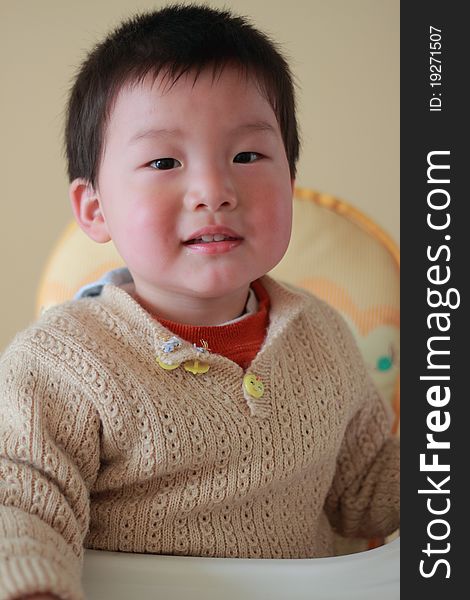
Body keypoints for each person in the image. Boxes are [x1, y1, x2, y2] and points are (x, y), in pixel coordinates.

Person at [0, 5, 399, 599]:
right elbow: (19, 500)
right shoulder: (61, 362)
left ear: (290, 182)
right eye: (164, 162)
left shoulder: (323, 336)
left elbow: (366, 489)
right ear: (95, 209)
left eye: (247, 156)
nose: (214, 191)